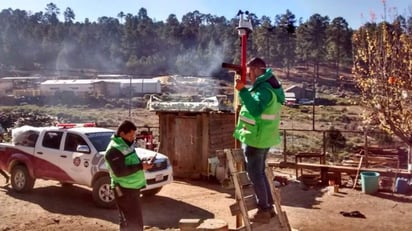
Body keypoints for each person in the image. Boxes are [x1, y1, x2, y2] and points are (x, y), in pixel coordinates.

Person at [233, 57, 285, 224]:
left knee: (255, 175)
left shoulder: (264, 90)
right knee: (260, 174)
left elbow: (255, 110)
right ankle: (268, 207)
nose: (248, 76)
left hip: (256, 138)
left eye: (249, 72)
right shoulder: (270, 88)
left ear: (256, 69)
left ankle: (264, 209)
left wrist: (242, 91)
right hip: (264, 137)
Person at [105, 120, 153, 231]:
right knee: (130, 222)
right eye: (131, 135)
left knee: (134, 220)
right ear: (122, 134)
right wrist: (141, 166)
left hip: (132, 188)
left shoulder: (125, 145)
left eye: (134, 135)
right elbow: (120, 172)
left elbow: (131, 161)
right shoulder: (113, 149)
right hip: (123, 189)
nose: (133, 138)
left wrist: (143, 162)